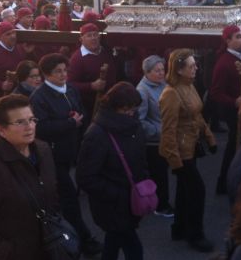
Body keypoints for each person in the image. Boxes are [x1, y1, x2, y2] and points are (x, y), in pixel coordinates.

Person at [31, 53, 103, 256]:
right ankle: (83, 238)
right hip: (53, 156)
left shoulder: (70, 89)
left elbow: (80, 110)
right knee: (69, 198)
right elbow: (41, 128)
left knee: (67, 197)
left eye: (65, 70)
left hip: (72, 149)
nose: (63, 75)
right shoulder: (39, 97)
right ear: (46, 74)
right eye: (58, 72)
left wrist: (78, 120)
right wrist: (70, 123)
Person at [76, 82, 148, 260]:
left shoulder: (133, 125)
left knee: (114, 240)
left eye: (134, 109)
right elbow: (85, 177)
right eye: (127, 110)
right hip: (112, 204)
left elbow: (140, 157)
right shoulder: (97, 134)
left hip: (130, 199)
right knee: (134, 249)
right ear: (114, 107)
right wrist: (118, 195)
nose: (132, 113)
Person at [159, 48, 217, 252]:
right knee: (197, 191)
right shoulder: (171, 94)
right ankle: (195, 234)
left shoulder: (189, 86)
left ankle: (180, 228)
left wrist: (209, 137)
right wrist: (175, 161)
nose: (196, 69)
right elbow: (168, 131)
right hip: (181, 152)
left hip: (191, 146)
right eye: (191, 66)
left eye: (195, 65)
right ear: (179, 70)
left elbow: (196, 116)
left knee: (185, 191)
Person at [0, 94, 60, 259]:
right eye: (20, 122)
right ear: (1, 130)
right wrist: (7, 252)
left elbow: (52, 194)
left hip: (50, 244)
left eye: (32, 119)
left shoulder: (43, 150)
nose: (29, 126)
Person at [211, 25, 241, 195]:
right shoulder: (224, 63)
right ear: (228, 41)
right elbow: (215, 92)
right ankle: (224, 182)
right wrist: (234, 101)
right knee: (234, 144)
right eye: (238, 37)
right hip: (233, 110)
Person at [135, 55, 173, 217]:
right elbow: (139, 121)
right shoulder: (142, 91)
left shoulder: (163, 84)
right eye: (156, 71)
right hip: (153, 142)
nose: (161, 73)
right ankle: (161, 205)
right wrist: (159, 130)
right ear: (147, 72)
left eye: (162, 69)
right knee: (159, 175)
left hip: (166, 137)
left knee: (164, 172)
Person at [67, 23, 117, 123]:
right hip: (89, 107)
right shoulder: (77, 59)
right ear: (81, 39)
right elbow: (70, 84)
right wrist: (91, 86)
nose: (93, 38)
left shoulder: (106, 52)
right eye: (89, 35)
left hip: (109, 103)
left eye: (95, 35)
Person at [0, 22, 35, 97]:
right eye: (8, 34)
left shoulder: (20, 47)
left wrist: (29, 53)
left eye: (14, 32)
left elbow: (28, 66)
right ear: (0, 37)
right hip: (1, 93)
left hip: (22, 90)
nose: (13, 36)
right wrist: (1, 84)